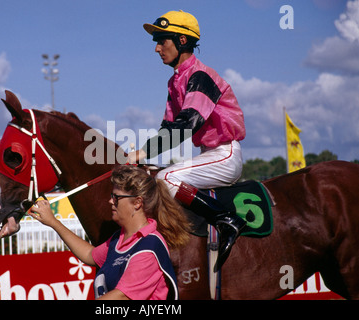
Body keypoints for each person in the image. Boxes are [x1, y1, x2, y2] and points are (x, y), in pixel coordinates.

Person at [128, 10, 247, 271]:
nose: (157, 48)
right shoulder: (176, 81)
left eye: (162, 41)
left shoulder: (200, 77)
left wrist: (144, 151)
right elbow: (168, 127)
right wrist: (144, 157)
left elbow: (186, 125)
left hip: (224, 155)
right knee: (155, 176)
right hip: (208, 155)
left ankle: (226, 219)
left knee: (166, 179)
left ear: (182, 41)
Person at [27, 165, 191, 300]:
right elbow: (90, 255)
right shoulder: (119, 239)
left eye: (116, 197)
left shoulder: (149, 246)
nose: (110, 201)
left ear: (137, 203)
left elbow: (120, 297)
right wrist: (53, 222)